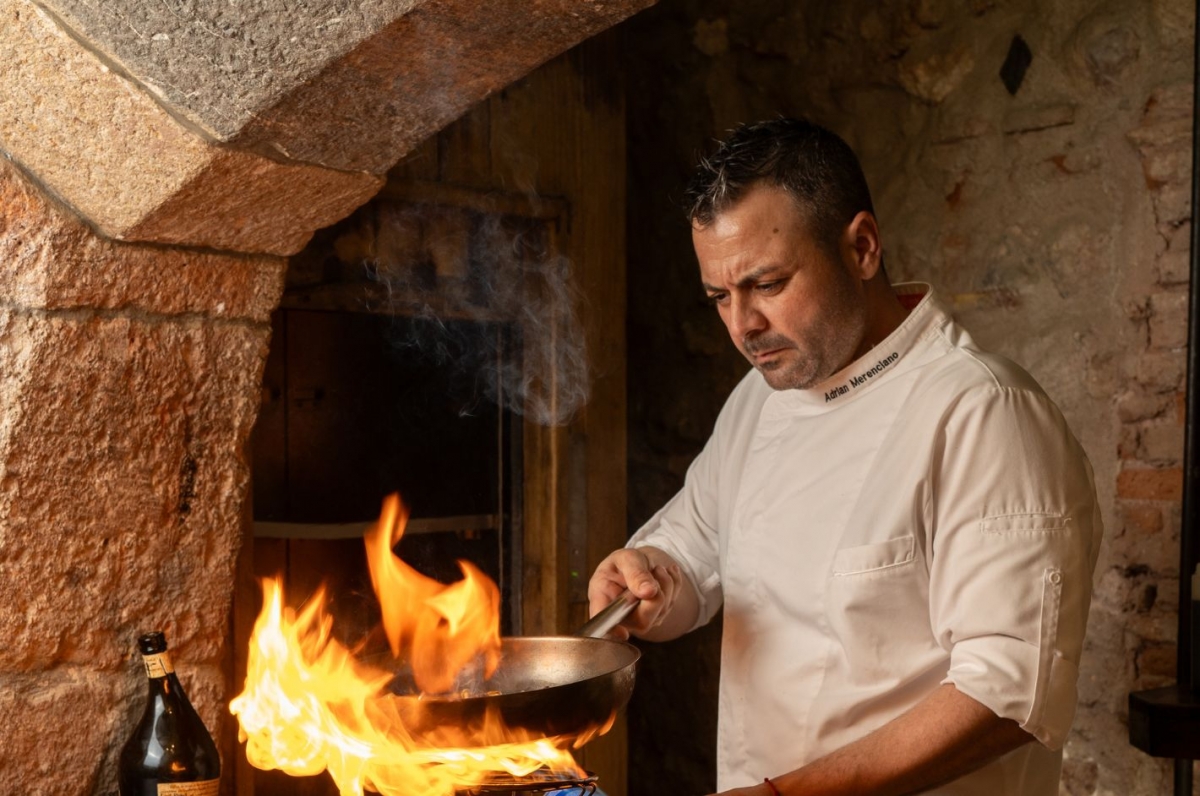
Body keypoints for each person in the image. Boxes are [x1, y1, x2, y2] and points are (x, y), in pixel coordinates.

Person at [588, 118, 1102, 796]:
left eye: (767, 283)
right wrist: (650, 576)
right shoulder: (760, 398)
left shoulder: (982, 412)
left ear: (861, 248)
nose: (742, 326)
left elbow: (1008, 692)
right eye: (720, 296)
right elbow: (698, 545)